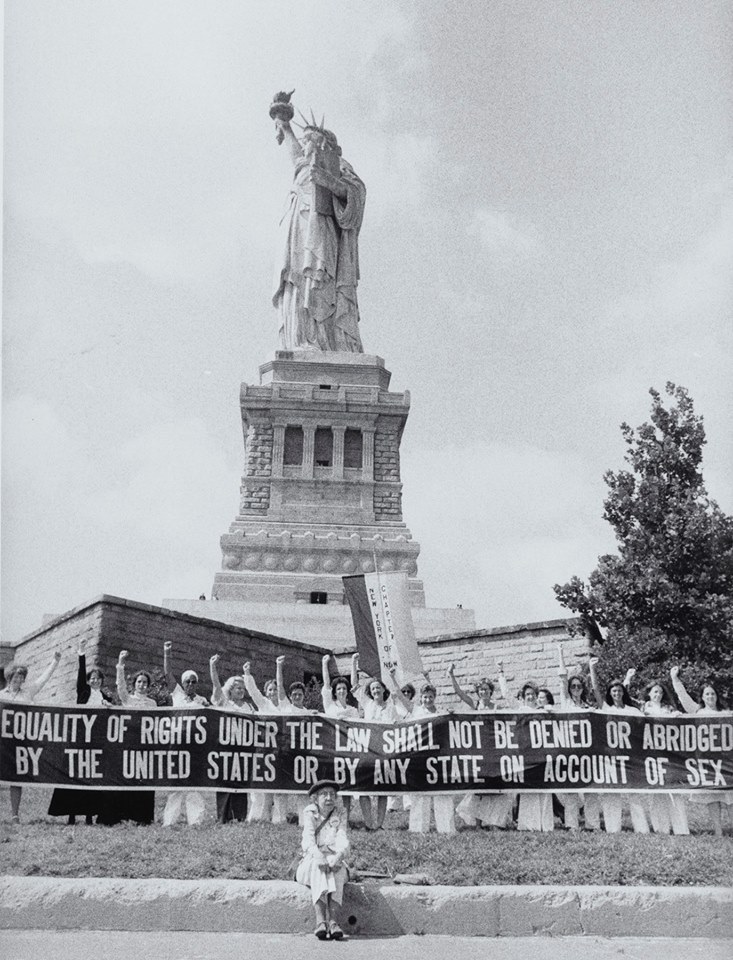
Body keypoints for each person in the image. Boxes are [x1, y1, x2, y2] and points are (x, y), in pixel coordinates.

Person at [271, 100, 365, 353]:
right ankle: (301, 340)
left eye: (309, 140)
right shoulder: (303, 166)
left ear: (325, 145)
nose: (304, 146)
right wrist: (282, 121)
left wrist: (331, 182)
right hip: (298, 233)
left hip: (323, 230)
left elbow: (356, 193)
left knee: (320, 280)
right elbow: (294, 155)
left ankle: (327, 341)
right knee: (298, 282)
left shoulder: (338, 167)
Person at [48, 639, 113, 825]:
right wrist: (81, 653)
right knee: (74, 775)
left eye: (98, 679)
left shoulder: (106, 697)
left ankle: (90, 815)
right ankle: (71, 813)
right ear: (88, 681)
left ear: (101, 681)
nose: (95, 681)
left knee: (93, 777)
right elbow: (80, 675)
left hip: (97, 743)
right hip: (79, 740)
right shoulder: (83, 693)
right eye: (92, 678)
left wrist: (110, 707)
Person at [448, 662, 513, 830]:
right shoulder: (475, 705)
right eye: (480, 690)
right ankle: (477, 823)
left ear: (491, 691)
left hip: (495, 751)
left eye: (486, 689)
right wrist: (452, 676)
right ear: (478, 692)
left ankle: (495, 822)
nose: (483, 692)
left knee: (495, 788)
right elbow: (460, 694)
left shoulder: (497, 708)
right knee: (479, 788)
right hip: (479, 750)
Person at [670, 666, 732, 836]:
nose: (710, 697)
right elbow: (683, 697)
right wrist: (675, 678)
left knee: (730, 798)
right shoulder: (697, 712)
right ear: (702, 698)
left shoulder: (727, 713)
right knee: (712, 797)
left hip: (726, 761)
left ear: (717, 696)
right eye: (707, 694)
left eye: (712, 694)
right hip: (707, 762)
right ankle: (718, 831)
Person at [1, 651, 61, 822]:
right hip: (2, 743)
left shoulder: (28, 693)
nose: (18, 681)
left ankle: (14, 814)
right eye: (15, 677)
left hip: (19, 742)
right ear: (9, 677)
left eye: (21, 678)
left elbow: (43, 679)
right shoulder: (0, 696)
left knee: (15, 777)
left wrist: (54, 662)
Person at [295, 779, 350, 940]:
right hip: (311, 862)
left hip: (333, 857)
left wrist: (339, 856)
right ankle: (321, 921)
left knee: (337, 868)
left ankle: (333, 922)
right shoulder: (310, 813)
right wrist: (319, 856)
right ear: (315, 798)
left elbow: (342, 837)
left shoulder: (340, 813)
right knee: (318, 866)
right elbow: (308, 841)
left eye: (332, 794)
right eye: (324, 794)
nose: (329, 798)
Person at [161, 641, 209, 827]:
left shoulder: (201, 700)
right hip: (178, 744)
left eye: (193, 682)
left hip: (196, 746)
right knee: (175, 784)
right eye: (187, 681)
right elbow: (167, 674)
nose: (190, 684)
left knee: (194, 783)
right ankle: (169, 821)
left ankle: (195, 821)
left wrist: (208, 708)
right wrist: (167, 652)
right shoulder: (177, 694)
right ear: (182, 683)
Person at [401, 682, 457, 834]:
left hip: (438, 757)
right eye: (425, 697)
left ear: (435, 697)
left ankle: (446, 828)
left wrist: (451, 714)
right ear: (421, 697)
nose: (428, 700)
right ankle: (418, 828)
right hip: (421, 756)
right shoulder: (416, 711)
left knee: (442, 793)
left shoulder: (440, 712)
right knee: (420, 794)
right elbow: (401, 697)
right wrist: (392, 677)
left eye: (431, 697)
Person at [351, 653, 398, 829]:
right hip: (368, 751)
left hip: (385, 752)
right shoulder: (367, 704)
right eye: (373, 690)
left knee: (382, 790)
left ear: (383, 690)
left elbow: (397, 727)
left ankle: (379, 824)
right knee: (365, 788)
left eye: (378, 688)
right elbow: (355, 686)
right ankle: (369, 823)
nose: (376, 691)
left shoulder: (391, 707)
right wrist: (354, 662)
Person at [596, 677, 649, 834]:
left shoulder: (632, 711)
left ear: (623, 692)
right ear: (610, 694)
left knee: (634, 793)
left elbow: (646, 724)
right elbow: (596, 690)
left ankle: (641, 828)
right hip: (611, 757)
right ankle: (612, 828)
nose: (617, 693)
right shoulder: (606, 709)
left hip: (631, 758)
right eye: (613, 691)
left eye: (619, 691)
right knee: (611, 792)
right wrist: (592, 669)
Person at [556, 645, 599, 831]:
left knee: (591, 791)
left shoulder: (588, 705)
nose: (575, 689)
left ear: (583, 688)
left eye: (578, 686)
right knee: (571, 791)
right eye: (572, 686)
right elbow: (562, 677)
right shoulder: (566, 703)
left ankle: (592, 824)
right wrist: (560, 652)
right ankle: (572, 824)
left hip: (588, 752)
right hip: (570, 751)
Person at [114, 649, 157, 824]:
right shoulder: (128, 699)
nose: (142, 685)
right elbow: (120, 686)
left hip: (146, 745)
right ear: (135, 684)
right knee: (127, 777)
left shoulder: (153, 703)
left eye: (145, 682)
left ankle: (143, 816)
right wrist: (120, 663)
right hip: (129, 743)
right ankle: (125, 814)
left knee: (144, 780)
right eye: (139, 682)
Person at [244, 659, 289, 824]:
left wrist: (278, 666)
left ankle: (279, 818)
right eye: (270, 689)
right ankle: (259, 817)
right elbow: (253, 691)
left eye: (275, 689)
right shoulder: (263, 704)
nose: (273, 692)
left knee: (280, 787)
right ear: (266, 692)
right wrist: (247, 674)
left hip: (282, 751)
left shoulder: (285, 706)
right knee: (262, 785)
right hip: (265, 750)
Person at [209, 654, 252, 823]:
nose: (241, 691)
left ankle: (239, 816)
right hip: (226, 749)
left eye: (242, 688)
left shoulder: (248, 706)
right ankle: (223, 817)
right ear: (230, 690)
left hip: (244, 749)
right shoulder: (224, 702)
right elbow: (216, 686)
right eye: (237, 688)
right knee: (225, 783)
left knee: (241, 784)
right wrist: (213, 667)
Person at [320, 655, 360, 823]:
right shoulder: (330, 706)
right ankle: (330, 816)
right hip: (333, 750)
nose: (342, 691)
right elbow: (327, 685)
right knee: (333, 785)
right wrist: (324, 664)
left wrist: (353, 662)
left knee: (348, 786)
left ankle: (346, 818)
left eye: (344, 688)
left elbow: (355, 685)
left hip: (349, 751)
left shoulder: (353, 710)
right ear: (335, 692)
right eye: (339, 689)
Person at [514, 681, 555, 832]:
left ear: (537, 696)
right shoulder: (520, 710)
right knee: (529, 788)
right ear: (523, 697)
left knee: (544, 787)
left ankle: (546, 824)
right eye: (527, 694)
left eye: (533, 694)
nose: (530, 697)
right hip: (526, 752)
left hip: (542, 753)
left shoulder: (544, 710)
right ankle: (529, 824)